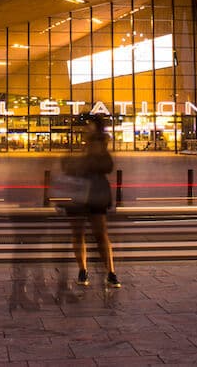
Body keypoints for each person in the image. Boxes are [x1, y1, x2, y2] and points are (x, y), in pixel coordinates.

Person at [60, 115, 120, 288]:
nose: (85, 128)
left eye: (89, 125)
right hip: (80, 191)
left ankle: (110, 271)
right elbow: (67, 166)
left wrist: (82, 162)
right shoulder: (79, 144)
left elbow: (106, 165)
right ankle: (84, 270)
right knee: (79, 232)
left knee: (100, 233)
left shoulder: (100, 145)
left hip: (94, 192)